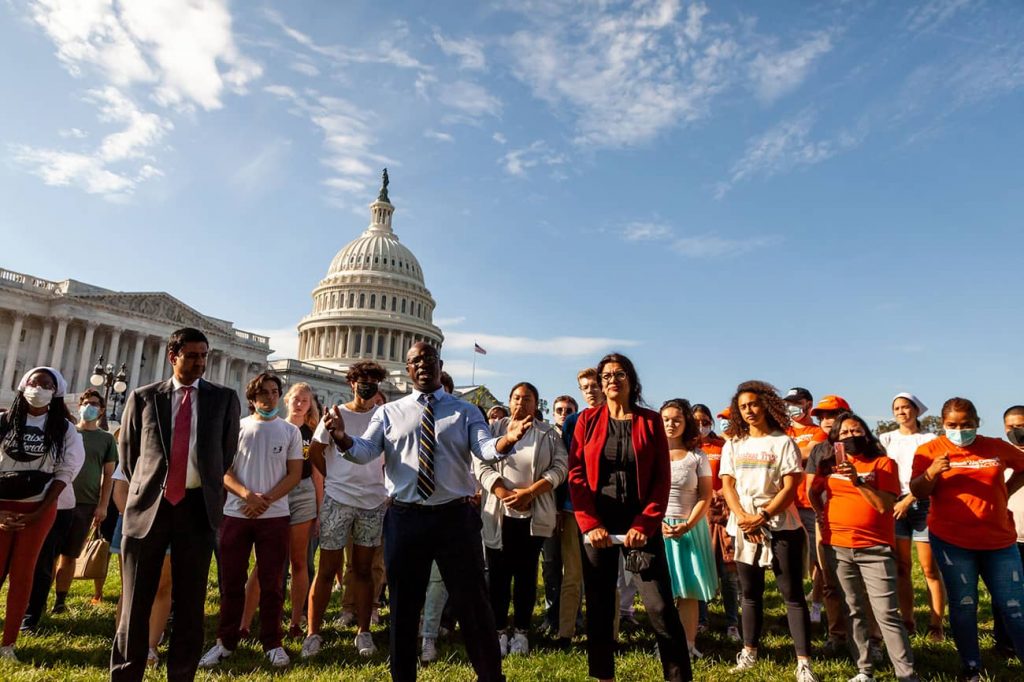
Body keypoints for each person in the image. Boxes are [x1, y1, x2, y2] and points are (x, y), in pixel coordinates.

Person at [320, 341, 527, 682]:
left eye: (428, 359)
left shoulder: (466, 411)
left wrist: (508, 439)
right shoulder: (389, 412)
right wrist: (341, 437)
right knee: (403, 607)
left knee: (473, 604)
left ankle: (491, 676)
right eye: (415, 360)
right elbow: (365, 451)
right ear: (408, 367)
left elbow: (486, 450)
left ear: (440, 363)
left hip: (454, 518)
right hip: (406, 517)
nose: (422, 365)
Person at [111, 327, 241, 682]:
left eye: (204, 356)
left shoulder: (224, 399)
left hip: (197, 509)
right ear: (174, 357)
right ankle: (125, 674)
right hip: (150, 506)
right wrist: (159, 483)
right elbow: (131, 455)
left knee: (190, 603)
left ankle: (181, 675)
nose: (200, 363)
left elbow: (224, 454)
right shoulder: (144, 397)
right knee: (135, 602)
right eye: (192, 356)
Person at [568, 353, 691, 682]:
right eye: (605, 375)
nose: (611, 380)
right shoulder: (586, 421)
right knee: (599, 606)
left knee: (660, 606)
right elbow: (576, 475)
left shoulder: (650, 421)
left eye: (618, 374)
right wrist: (590, 524)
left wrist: (644, 524)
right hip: (598, 524)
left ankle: (678, 677)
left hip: (640, 523)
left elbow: (661, 480)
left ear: (631, 380)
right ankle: (603, 676)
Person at [910, 397, 1024, 681]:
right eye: (952, 425)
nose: (960, 430)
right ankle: (971, 666)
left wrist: (1006, 492)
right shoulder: (929, 450)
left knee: (1014, 606)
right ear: (942, 424)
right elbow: (918, 490)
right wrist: (931, 472)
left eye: (966, 425)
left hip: (999, 541)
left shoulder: (996, 446)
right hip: (952, 542)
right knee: (964, 605)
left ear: (977, 423)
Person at [199, 372, 303, 668]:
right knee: (231, 582)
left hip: (274, 515)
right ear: (252, 398)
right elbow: (223, 470)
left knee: (272, 583)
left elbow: (294, 473)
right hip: (236, 513)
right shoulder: (238, 428)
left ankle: (272, 642)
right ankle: (225, 641)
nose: (269, 398)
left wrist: (264, 500)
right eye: (263, 393)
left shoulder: (290, 432)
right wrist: (247, 496)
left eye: (274, 392)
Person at [719, 380, 819, 682]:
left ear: (766, 405)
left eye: (754, 404)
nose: (749, 410)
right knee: (749, 594)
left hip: (780, 527)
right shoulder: (734, 443)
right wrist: (742, 517)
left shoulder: (783, 442)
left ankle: (803, 662)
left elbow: (791, 486)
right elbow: (727, 484)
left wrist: (762, 516)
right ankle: (749, 652)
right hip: (744, 525)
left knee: (792, 595)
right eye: (743, 406)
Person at [809, 412, 917, 682]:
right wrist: (822, 513)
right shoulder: (828, 466)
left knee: (886, 613)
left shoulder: (883, 464)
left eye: (855, 431)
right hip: (838, 547)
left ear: (866, 434)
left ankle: (906, 674)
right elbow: (813, 492)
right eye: (843, 434)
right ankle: (864, 669)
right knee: (852, 610)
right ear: (835, 441)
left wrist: (857, 481)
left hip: (875, 548)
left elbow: (885, 506)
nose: (850, 437)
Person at [303, 361, 389, 659]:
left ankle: (363, 632)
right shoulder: (335, 414)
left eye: (373, 381)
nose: (367, 385)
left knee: (364, 570)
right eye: (362, 380)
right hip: (338, 499)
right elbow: (315, 451)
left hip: (372, 501)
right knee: (327, 569)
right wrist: (334, 477)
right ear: (351, 382)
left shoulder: (385, 417)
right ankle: (313, 633)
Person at [477, 382, 568, 656]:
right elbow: (479, 462)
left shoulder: (548, 434)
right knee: (498, 576)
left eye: (527, 399)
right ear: (509, 400)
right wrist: (502, 490)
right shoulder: (494, 430)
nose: (520, 403)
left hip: (532, 514)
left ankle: (522, 631)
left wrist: (531, 492)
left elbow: (561, 467)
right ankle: (499, 630)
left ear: (536, 404)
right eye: (516, 398)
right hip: (499, 513)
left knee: (527, 576)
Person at [0, 367, 84, 660]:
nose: (39, 388)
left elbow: (66, 472)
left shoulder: (63, 429)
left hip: (38, 507)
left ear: (56, 391)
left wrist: (41, 511)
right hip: (2, 507)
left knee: (24, 575)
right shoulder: (3, 422)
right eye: (35, 382)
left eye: (47, 384)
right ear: (24, 385)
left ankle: (8, 643)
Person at [238, 381, 323, 639]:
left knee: (299, 561)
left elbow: (317, 474)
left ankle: (296, 621)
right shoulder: (274, 428)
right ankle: (244, 622)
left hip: (303, 494)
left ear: (311, 405)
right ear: (287, 400)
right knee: (264, 562)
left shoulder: (314, 434)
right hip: (274, 491)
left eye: (305, 400)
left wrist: (320, 510)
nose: (299, 404)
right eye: (296, 399)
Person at [879, 392, 944, 640]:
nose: (901, 412)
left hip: (923, 503)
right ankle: (908, 620)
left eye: (906, 407)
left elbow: (932, 475)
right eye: (897, 408)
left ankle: (936, 624)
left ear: (916, 410)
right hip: (895, 506)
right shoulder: (886, 438)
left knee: (929, 568)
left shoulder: (929, 439)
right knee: (902, 567)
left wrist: (910, 499)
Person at [50, 389, 118, 613]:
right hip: (56, 500)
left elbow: (109, 475)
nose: (90, 407)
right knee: (48, 554)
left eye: (95, 404)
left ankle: (60, 600)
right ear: (79, 405)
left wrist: (103, 505)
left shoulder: (106, 439)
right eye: (87, 402)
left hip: (86, 503)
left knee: (69, 555)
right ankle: (38, 599)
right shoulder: (66, 432)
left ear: (101, 410)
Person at [659, 399, 717, 660]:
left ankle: (688, 643)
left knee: (688, 590)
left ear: (686, 424)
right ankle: (665, 644)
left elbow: (705, 496)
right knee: (660, 593)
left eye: (677, 420)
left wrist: (688, 525)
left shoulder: (697, 456)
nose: (671, 424)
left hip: (689, 528)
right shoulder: (651, 454)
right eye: (666, 419)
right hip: (657, 528)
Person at [782, 387, 831, 627]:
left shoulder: (819, 431)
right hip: (788, 504)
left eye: (796, 402)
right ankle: (795, 602)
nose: (791, 407)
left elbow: (810, 451)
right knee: (792, 559)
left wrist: (785, 451)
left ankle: (816, 605)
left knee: (817, 558)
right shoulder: (784, 430)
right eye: (788, 403)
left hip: (811, 504)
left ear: (808, 404)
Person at [692, 403, 740, 642]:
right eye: (696, 421)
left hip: (723, 516)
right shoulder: (688, 446)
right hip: (698, 516)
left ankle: (732, 622)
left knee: (728, 573)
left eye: (705, 421)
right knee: (700, 570)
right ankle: (701, 619)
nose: (701, 425)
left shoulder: (723, 445)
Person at [540, 393, 578, 636]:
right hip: (549, 509)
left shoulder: (578, 433)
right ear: (553, 413)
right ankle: (551, 615)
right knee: (551, 565)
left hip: (573, 508)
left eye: (569, 410)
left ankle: (575, 616)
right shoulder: (547, 436)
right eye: (560, 410)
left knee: (575, 569)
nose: (564, 414)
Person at [994, 405, 1024, 655]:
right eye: (1010, 427)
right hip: (1008, 536)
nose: (1016, 431)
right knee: (1004, 593)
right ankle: (1004, 643)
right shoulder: (1000, 456)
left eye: (1021, 425)